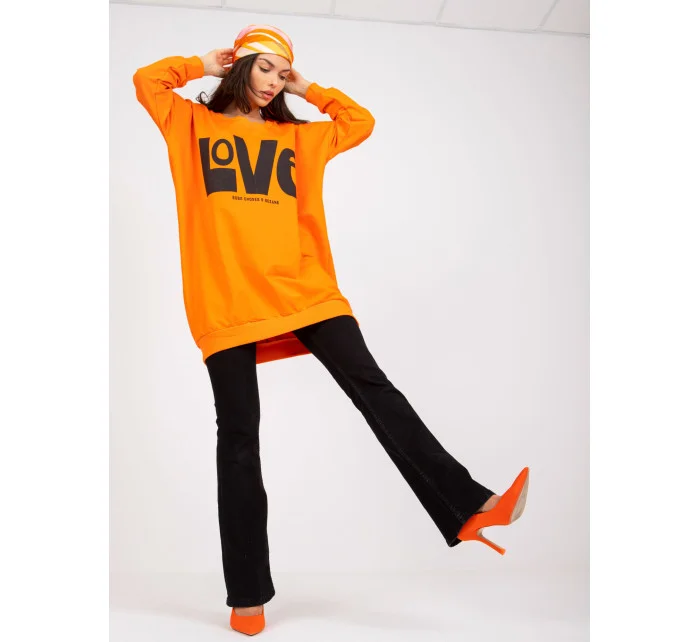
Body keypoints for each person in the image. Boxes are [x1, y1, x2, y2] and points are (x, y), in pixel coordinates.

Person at [133, 23, 529, 636]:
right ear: (240, 65)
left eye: (281, 72)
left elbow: (359, 121)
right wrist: (200, 65)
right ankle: (247, 597)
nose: (273, 82)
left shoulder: (299, 138)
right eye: (264, 67)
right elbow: (147, 82)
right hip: (226, 301)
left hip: (306, 290)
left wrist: (308, 88)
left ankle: (473, 505)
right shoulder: (190, 125)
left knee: (375, 390)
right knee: (238, 440)